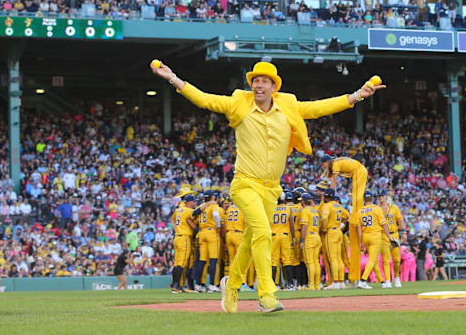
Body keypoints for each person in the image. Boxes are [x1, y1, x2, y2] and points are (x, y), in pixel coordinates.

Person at [151, 60, 384, 313]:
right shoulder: (238, 102)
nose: (258, 84)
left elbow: (319, 108)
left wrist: (357, 96)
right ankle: (267, 295)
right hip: (244, 185)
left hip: (272, 189)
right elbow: (204, 99)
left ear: (274, 87)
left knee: (253, 239)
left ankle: (232, 285)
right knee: (262, 232)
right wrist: (173, 77)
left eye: (264, 81)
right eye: (255, 80)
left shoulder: (287, 106)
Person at [320, 155, 368, 286]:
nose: (322, 166)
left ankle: (336, 282)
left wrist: (330, 192)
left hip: (359, 171)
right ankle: (344, 281)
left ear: (326, 162)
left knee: (356, 196)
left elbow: (334, 181)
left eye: (323, 164)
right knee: (341, 258)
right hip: (359, 171)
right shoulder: (335, 163)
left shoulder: (335, 164)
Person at [357, 191, 397, 289]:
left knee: (374, 261)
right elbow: (384, 224)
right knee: (372, 260)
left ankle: (382, 282)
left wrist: (361, 242)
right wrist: (389, 236)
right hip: (375, 236)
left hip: (365, 236)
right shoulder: (377, 209)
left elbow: (358, 229)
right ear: (372, 199)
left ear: (364, 199)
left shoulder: (359, 211)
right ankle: (362, 280)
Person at [379, 189, 407, 287]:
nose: (381, 197)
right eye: (379, 196)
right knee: (385, 259)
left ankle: (396, 277)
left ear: (386, 196)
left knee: (396, 259)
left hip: (394, 234)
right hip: (383, 235)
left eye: (382, 195)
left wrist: (404, 232)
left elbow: (400, 220)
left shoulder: (394, 208)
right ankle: (387, 280)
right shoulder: (377, 209)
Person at [319, 188, 346, 289]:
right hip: (338, 231)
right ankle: (341, 281)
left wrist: (324, 228)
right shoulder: (338, 205)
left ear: (327, 196)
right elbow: (347, 216)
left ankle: (335, 281)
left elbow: (325, 218)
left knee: (333, 258)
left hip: (331, 232)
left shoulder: (327, 205)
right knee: (339, 258)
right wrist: (340, 226)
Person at [270, 192, 295, 290]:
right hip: (285, 236)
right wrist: (293, 237)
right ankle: (290, 284)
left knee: (274, 260)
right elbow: (292, 224)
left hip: (274, 236)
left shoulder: (270, 208)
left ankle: (273, 285)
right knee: (287, 260)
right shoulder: (288, 208)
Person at [299, 193, 321, 290]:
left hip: (309, 237)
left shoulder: (305, 211)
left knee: (310, 263)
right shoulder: (315, 211)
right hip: (316, 236)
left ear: (303, 201)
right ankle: (317, 285)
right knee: (316, 262)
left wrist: (302, 240)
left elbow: (304, 226)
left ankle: (311, 285)